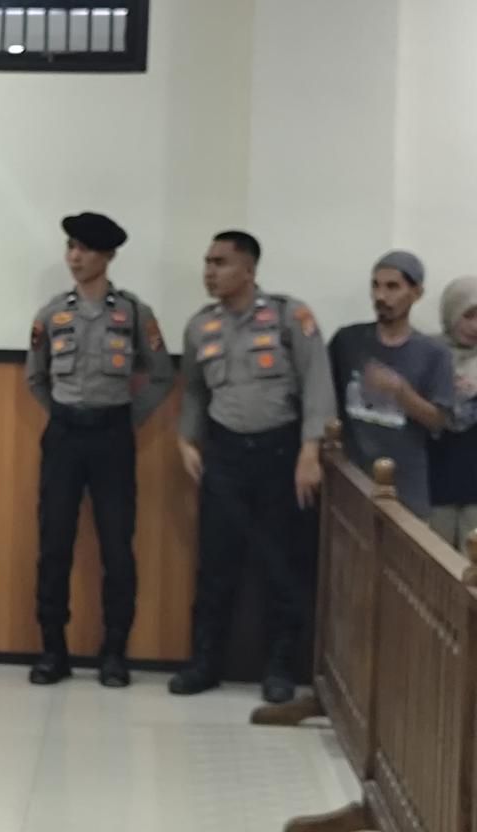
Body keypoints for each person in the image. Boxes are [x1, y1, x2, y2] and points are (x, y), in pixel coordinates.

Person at [168, 231, 336, 703]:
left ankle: (280, 667)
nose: (209, 271)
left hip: (281, 453)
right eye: (207, 262)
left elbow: (317, 382)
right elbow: (194, 390)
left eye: (220, 262)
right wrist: (185, 439)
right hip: (224, 455)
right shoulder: (200, 326)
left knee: (282, 564)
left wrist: (311, 450)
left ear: (248, 269)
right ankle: (205, 663)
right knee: (216, 563)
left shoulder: (289, 316)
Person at [25, 212, 175, 688]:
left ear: (107, 256)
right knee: (54, 545)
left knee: (117, 547)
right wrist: (65, 413)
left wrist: (126, 418)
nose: (75, 257)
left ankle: (114, 653)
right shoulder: (51, 314)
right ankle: (53, 650)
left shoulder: (134, 313)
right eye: (70, 247)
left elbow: (161, 374)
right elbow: (36, 376)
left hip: (113, 437)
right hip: (64, 436)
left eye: (85, 249)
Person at [329, 251, 453, 517]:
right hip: (349, 482)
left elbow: (438, 421)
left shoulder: (434, 353)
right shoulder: (347, 340)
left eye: (392, 287)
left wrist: (400, 392)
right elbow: (322, 400)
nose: (381, 296)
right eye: (375, 285)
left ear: (416, 293)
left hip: (404, 490)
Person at [428, 276, 477, 548]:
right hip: (433, 483)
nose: (475, 326)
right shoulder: (426, 353)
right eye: (467, 315)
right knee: (432, 564)